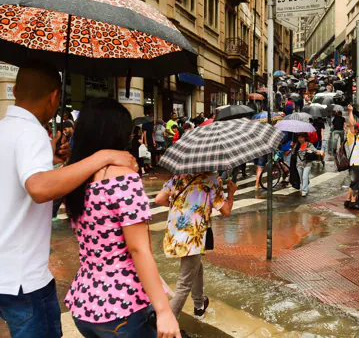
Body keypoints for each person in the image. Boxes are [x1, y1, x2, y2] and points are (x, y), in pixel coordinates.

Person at [0, 60, 136, 338]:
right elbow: (38, 189)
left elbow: (21, 194)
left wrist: (53, 163)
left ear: (14, 90)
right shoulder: (32, 132)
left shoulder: (4, 129)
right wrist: (102, 156)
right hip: (23, 281)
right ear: (54, 97)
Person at [64, 98, 181, 338]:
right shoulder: (123, 179)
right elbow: (138, 250)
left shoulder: (73, 177)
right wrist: (164, 310)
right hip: (122, 308)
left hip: (84, 304)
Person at [154, 172, 237, 321]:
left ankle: (199, 305)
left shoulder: (177, 178)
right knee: (184, 284)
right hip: (193, 236)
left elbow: (159, 199)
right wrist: (231, 193)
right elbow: (226, 211)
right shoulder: (211, 180)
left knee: (195, 267)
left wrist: (182, 208)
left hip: (175, 233)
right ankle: (166, 326)